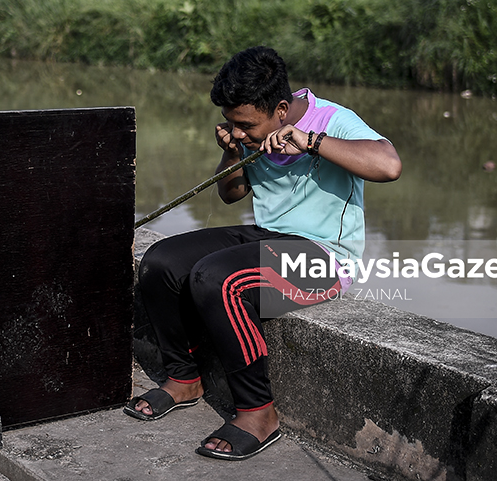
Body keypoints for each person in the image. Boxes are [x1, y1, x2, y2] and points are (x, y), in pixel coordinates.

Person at [126, 45, 401, 461]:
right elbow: (231, 193)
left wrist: (310, 142)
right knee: (160, 262)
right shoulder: (249, 133)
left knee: (219, 279)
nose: (238, 132)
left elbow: (389, 166)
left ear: (282, 109)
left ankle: (259, 413)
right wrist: (233, 153)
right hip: (266, 236)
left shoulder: (331, 120)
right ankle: (184, 379)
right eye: (231, 124)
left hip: (323, 258)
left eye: (245, 126)